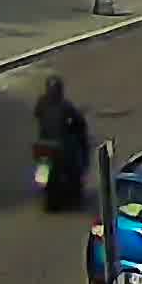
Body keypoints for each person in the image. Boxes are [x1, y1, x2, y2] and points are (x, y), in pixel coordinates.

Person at [32, 74, 91, 211]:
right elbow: (78, 122)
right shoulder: (65, 106)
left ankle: (62, 186)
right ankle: (74, 186)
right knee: (75, 160)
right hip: (59, 146)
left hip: (43, 144)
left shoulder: (41, 102)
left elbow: (37, 115)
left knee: (46, 163)